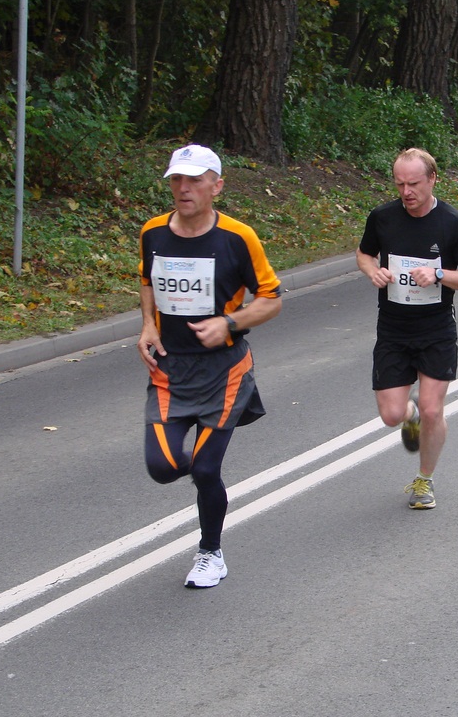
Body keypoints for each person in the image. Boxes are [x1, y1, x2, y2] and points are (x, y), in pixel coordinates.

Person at [137, 144, 282, 588]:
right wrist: (147, 325)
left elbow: (272, 298)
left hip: (224, 371)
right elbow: (146, 279)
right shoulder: (153, 232)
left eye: (194, 180)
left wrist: (229, 323)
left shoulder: (238, 238)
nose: (183, 188)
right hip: (169, 370)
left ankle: (210, 552)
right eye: (177, 180)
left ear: (216, 186)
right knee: (162, 466)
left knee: (204, 469)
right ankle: (207, 506)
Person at [356, 148, 458, 510]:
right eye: (399, 184)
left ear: (432, 180)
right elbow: (364, 254)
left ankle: (424, 480)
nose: (406, 191)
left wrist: (440, 275)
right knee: (391, 415)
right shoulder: (382, 217)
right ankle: (408, 416)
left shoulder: (453, 223)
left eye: (413, 183)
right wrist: (372, 271)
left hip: (436, 329)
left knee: (432, 409)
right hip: (393, 329)